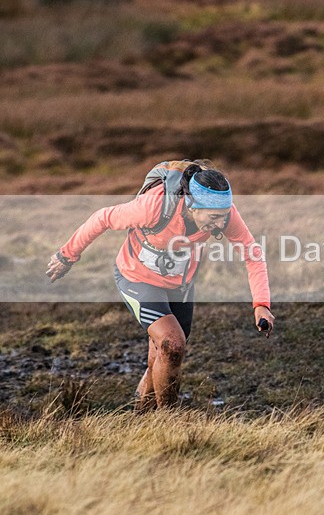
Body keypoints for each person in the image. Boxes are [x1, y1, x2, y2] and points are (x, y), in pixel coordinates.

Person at [45, 160, 275, 409]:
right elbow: (102, 218)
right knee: (172, 343)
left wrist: (261, 305)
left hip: (180, 286)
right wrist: (66, 256)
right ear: (191, 205)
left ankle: (143, 415)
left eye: (223, 218)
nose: (220, 225)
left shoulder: (225, 214)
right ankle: (168, 420)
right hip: (137, 278)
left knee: (166, 353)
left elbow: (253, 254)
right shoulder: (155, 206)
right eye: (214, 218)